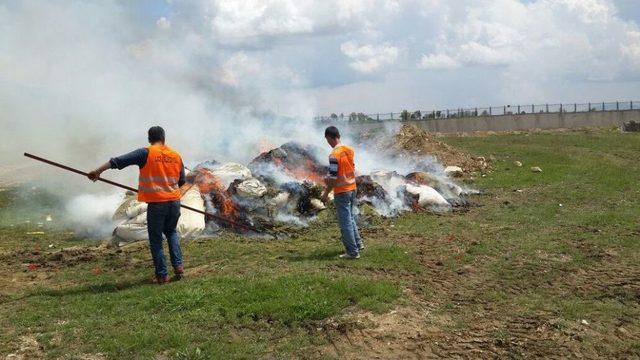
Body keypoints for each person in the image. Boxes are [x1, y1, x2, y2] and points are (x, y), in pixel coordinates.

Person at [88, 126, 186, 284]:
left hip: (157, 203)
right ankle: (178, 267)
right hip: (174, 202)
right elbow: (182, 181)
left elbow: (118, 161)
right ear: (164, 138)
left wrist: (98, 171)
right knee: (171, 232)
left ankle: (162, 275)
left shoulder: (145, 153)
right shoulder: (176, 155)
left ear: (149, 139)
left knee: (155, 239)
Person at [321, 126, 364, 259]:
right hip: (352, 188)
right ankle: (358, 244)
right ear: (338, 135)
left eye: (327, 139)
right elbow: (352, 168)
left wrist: (325, 193)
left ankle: (352, 252)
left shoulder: (334, 154)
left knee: (345, 222)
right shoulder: (349, 150)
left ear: (329, 137)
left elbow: (333, 178)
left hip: (342, 191)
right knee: (350, 218)